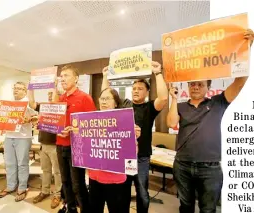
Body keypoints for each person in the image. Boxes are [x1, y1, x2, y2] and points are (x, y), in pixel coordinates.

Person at [166, 29, 254, 213]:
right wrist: (173, 99)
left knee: (208, 209)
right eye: (192, 84)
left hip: (210, 168)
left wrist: (247, 48)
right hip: (182, 165)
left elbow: (239, 82)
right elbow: (170, 123)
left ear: (208, 87)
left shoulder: (218, 102)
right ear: (188, 87)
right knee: (186, 206)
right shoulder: (180, 106)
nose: (195, 87)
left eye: (200, 84)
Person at [101, 61, 168, 213]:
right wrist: (105, 76)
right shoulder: (124, 103)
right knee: (122, 192)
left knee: (142, 192)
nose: (136, 91)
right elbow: (106, 95)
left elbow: (163, 98)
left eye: (140, 89)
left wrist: (157, 73)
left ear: (147, 92)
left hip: (142, 157)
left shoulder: (149, 108)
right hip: (123, 156)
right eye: (134, 88)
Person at [88, 87, 141, 213]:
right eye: (102, 98)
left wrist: (133, 137)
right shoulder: (91, 121)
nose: (103, 102)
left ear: (116, 103)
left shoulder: (124, 122)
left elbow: (133, 153)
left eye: (107, 99)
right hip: (95, 177)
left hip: (116, 179)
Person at [57, 65, 96, 213]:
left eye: (66, 75)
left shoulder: (85, 98)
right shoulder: (61, 99)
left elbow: (93, 125)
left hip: (77, 147)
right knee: (65, 181)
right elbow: (57, 122)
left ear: (76, 79)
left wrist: (75, 131)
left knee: (77, 184)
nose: (63, 79)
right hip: (60, 145)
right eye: (61, 76)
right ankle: (70, 208)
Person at [0, 82, 37, 202]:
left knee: (22, 163)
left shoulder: (28, 103)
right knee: (9, 163)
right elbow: (2, 118)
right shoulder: (8, 103)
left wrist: (28, 119)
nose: (16, 90)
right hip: (9, 136)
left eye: (19, 88)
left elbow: (37, 117)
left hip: (23, 137)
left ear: (25, 91)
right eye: (15, 88)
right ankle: (10, 186)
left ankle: (22, 187)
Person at [28, 88, 62, 209]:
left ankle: (58, 194)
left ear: (58, 95)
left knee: (57, 172)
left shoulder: (61, 108)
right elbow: (32, 103)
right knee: (45, 170)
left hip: (56, 145)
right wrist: (30, 88)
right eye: (48, 94)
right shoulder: (43, 106)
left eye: (52, 94)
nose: (49, 96)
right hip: (43, 144)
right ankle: (45, 191)